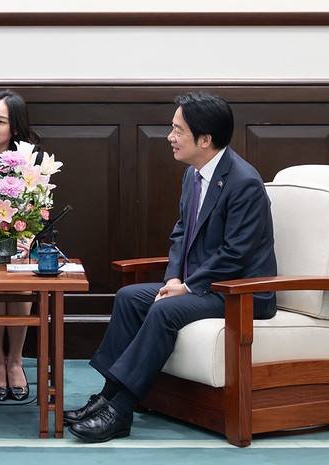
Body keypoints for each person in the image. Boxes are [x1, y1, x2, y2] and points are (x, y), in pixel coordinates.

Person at [64, 92, 277, 443]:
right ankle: (107, 397)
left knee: (165, 310)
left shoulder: (244, 183)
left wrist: (188, 287)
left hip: (242, 292)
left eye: (178, 130)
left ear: (205, 139)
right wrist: (174, 277)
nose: (170, 137)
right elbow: (181, 233)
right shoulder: (194, 174)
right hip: (204, 284)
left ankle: (121, 411)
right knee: (131, 297)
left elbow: (235, 253)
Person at [0, 89, 41, 401]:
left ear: (14, 128)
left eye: (1, 121)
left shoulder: (29, 161)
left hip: (21, 243)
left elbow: (39, 209)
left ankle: (15, 360)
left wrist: (27, 238)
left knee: (22, 271)